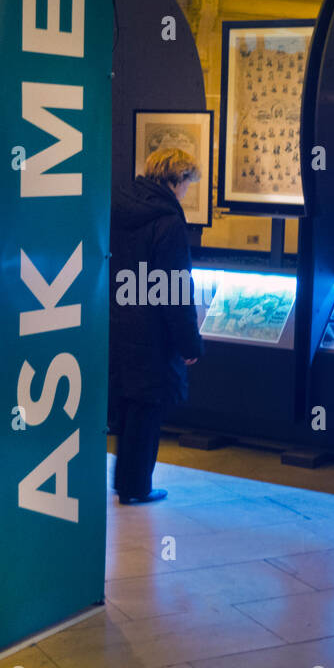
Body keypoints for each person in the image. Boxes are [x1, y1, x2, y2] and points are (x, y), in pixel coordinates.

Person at [109, 148, 203, 505]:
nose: (185, 193)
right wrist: (189, 344)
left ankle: (126, 482)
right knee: (148, 409)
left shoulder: (119, 209)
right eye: (186, 185)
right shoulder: (168, 222)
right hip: (153, 332)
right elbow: (175, 289)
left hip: (119, 321)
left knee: (130, 405)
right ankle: (137, 486)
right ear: (175, 179)